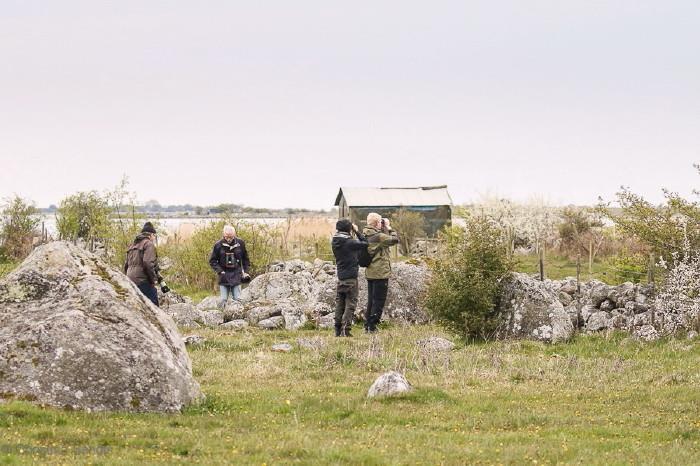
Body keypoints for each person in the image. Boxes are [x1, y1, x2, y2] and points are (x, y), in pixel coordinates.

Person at [362, 213, 399, 333]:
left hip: (370, 272)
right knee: (379, 301)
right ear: (377, 223)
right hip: (380, 273)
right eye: (380, 222)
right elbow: (394, 240)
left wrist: (382, 229)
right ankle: (372, 327)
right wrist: (389, 228)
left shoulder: (364, 234)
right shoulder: (379, 237)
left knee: (371, 300)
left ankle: (367, 325)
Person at [331, 218, 368, 337]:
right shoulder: (350, 242)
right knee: (351, 303)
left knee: (340, 303)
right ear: (349, 228)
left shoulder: (335, 240)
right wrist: (357, 231)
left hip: (341, 276)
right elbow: (365, 243)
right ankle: (345, 330)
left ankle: (337, 329)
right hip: (351, 277)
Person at [209, 225, 250, 308]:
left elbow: (246, 259)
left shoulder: (240, 243)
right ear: (223, 234)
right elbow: (212, 261)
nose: (229, 239)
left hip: (236, 274)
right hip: (223, 275)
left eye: (231, 237)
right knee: (223, 300)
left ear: (234, 235)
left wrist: (245, 272)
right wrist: (220, 271)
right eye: (227, 237)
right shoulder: (218, 245)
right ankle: (221, 318)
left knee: (238, 299)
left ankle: (238, 319)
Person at [124, 221, 161, 306]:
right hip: (142, 280)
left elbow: (126, 265)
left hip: (130, 280)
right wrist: (153, 279)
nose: (154, 238)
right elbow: (148, 263)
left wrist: (127, 279)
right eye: (154, 236)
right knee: (154, 303)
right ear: (150, 235)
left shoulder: (132, 245)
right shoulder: (148, 244)